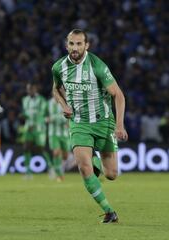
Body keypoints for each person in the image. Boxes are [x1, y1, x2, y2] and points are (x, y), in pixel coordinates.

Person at [52, 29, 128, 223]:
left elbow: (118, 95)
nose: (75, 48)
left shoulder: (97, 66)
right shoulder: (58, 67)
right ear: (66, 45)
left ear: (87, 46)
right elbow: (55, 89)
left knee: (111, 174)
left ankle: (96, 160)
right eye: (71, 44)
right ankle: (109, 211)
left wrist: (119, 125)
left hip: (103, 122)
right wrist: (64, 105)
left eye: (79, 44)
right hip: (79, 123)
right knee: (84, 167)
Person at [21, 82, 51, 178]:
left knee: (41, 148)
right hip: (28, 128)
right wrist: (23, 116)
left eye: (31, 89)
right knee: (26, 147)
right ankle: (28, 172)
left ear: (35, 89)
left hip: (39, 128)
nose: (29, 91)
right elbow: (26, 113)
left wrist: (35, 123)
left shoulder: (42, 100)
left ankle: (51, 168)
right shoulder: (25, 100)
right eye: (28, 89)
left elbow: (43, 115)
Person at [47, 96, 70, 182]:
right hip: (53, 133)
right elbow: (45, 117)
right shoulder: (49, 103)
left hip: (64, 133)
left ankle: (56, 167)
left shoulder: (66, 102)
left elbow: (69, 115)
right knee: (56, 152)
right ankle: (59, 174)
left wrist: (67, 121)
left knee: (65, 156)